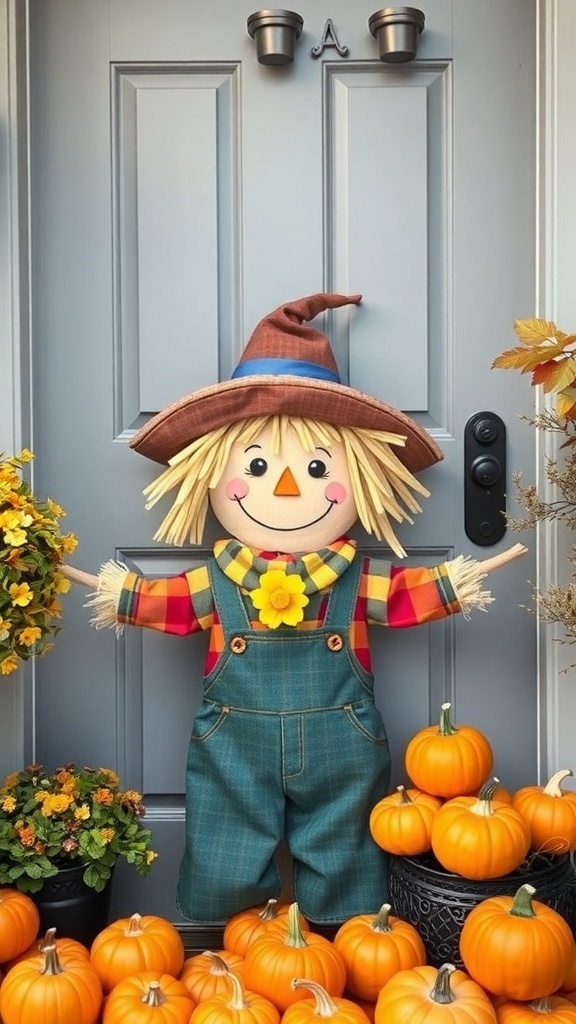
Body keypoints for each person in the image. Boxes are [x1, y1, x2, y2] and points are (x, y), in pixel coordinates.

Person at [64, 292, 526, 926]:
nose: (285, 488)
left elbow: (405, 595)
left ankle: (348, 944)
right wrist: (107, 588)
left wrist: (462, 579)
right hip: (236, 747)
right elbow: (162, 604)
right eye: (255, 466)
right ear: (210, 474)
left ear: (362, 476)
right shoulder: (216, 584)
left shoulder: (356, 580)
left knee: (346, 852)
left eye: (315, 467)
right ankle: (229, 953)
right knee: (224, 846)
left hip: (343, 741)